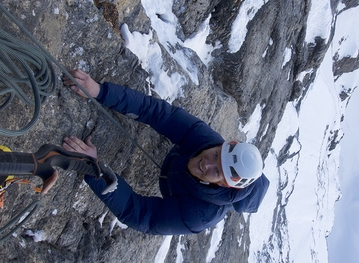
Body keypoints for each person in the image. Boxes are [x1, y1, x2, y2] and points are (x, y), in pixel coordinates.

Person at [62, 69, 270, 235]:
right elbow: (157, 113)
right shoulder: (207, 140)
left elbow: (142, 215)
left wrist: (94, 168)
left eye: (217, 172)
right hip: (177, 167)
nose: (206, 163)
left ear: (224, 184)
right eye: (216, 155)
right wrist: (100, 91)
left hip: (179, 192)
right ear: (220, 145)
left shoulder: (199, 216)